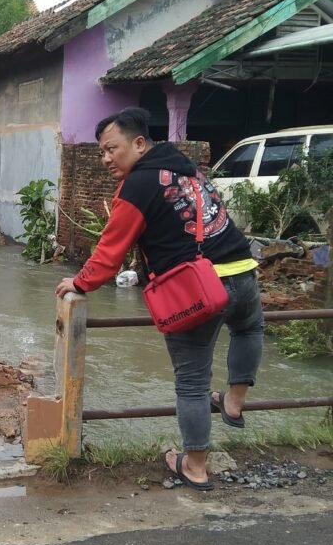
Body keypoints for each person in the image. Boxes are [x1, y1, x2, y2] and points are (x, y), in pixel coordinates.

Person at [56, 107, 263, 492]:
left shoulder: (138, 186)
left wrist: (80, 284)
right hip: (243, 270)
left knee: (192, 381)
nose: (105, 159)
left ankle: (195, 466)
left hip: (196, 287)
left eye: (110, 149)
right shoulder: (188, 169)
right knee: (250, 327)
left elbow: (110, 252)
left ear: (138, 143)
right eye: (101, 151)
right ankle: (234, 402)